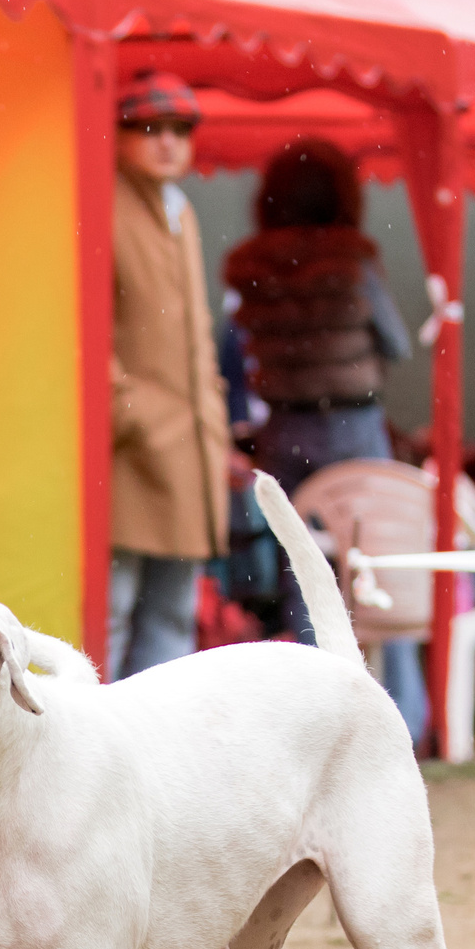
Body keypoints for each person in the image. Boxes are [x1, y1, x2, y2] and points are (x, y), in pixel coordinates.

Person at [105, 71, 232, 678]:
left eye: (181, 129)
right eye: (149, 127)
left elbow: (197, 332)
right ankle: (91, 733)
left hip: (186, 445)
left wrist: (212, 420)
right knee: (113, 609)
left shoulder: (180, 210)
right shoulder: (103, 204)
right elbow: (83, 325)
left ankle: (156, 738)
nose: (168, 141)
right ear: (119, 134)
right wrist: (130, 413)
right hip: (127, 449)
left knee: (173, 612)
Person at [225, 137, 412, 495]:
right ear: (343, 195)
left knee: (289, 525)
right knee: (366, 522)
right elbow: (396, 343)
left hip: (283, 428)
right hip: (352, 427)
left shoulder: (253, 265)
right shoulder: (353, 260)